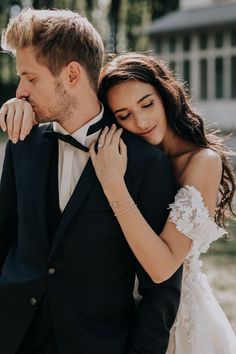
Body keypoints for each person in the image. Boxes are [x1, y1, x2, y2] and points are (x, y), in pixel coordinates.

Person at [2, 52, 236, 354]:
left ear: (165, 95)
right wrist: (20, 104)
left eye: (147, 103)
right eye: (123, 115)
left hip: (177, 318)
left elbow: (162, 269)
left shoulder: (202, 162)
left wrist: (114, 185)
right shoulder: (126, 147)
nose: (141, 121)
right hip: (118, 314)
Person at [0, 9, 182, 354]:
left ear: (71, 74)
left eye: (30, 78)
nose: (21, 90)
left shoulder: (145, 162)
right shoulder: (21, 143)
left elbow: (161, 291)